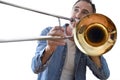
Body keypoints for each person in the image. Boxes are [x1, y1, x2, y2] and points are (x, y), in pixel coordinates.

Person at [31, 0, 110, 80]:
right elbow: (35, 68)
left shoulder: (87, 42)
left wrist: (90, 45)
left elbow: (104, 75)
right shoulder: (48, 32)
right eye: (76, 9)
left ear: (90, 20)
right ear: (71, 11)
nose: (78, 15)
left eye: (84, 12)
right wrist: (49, 48)